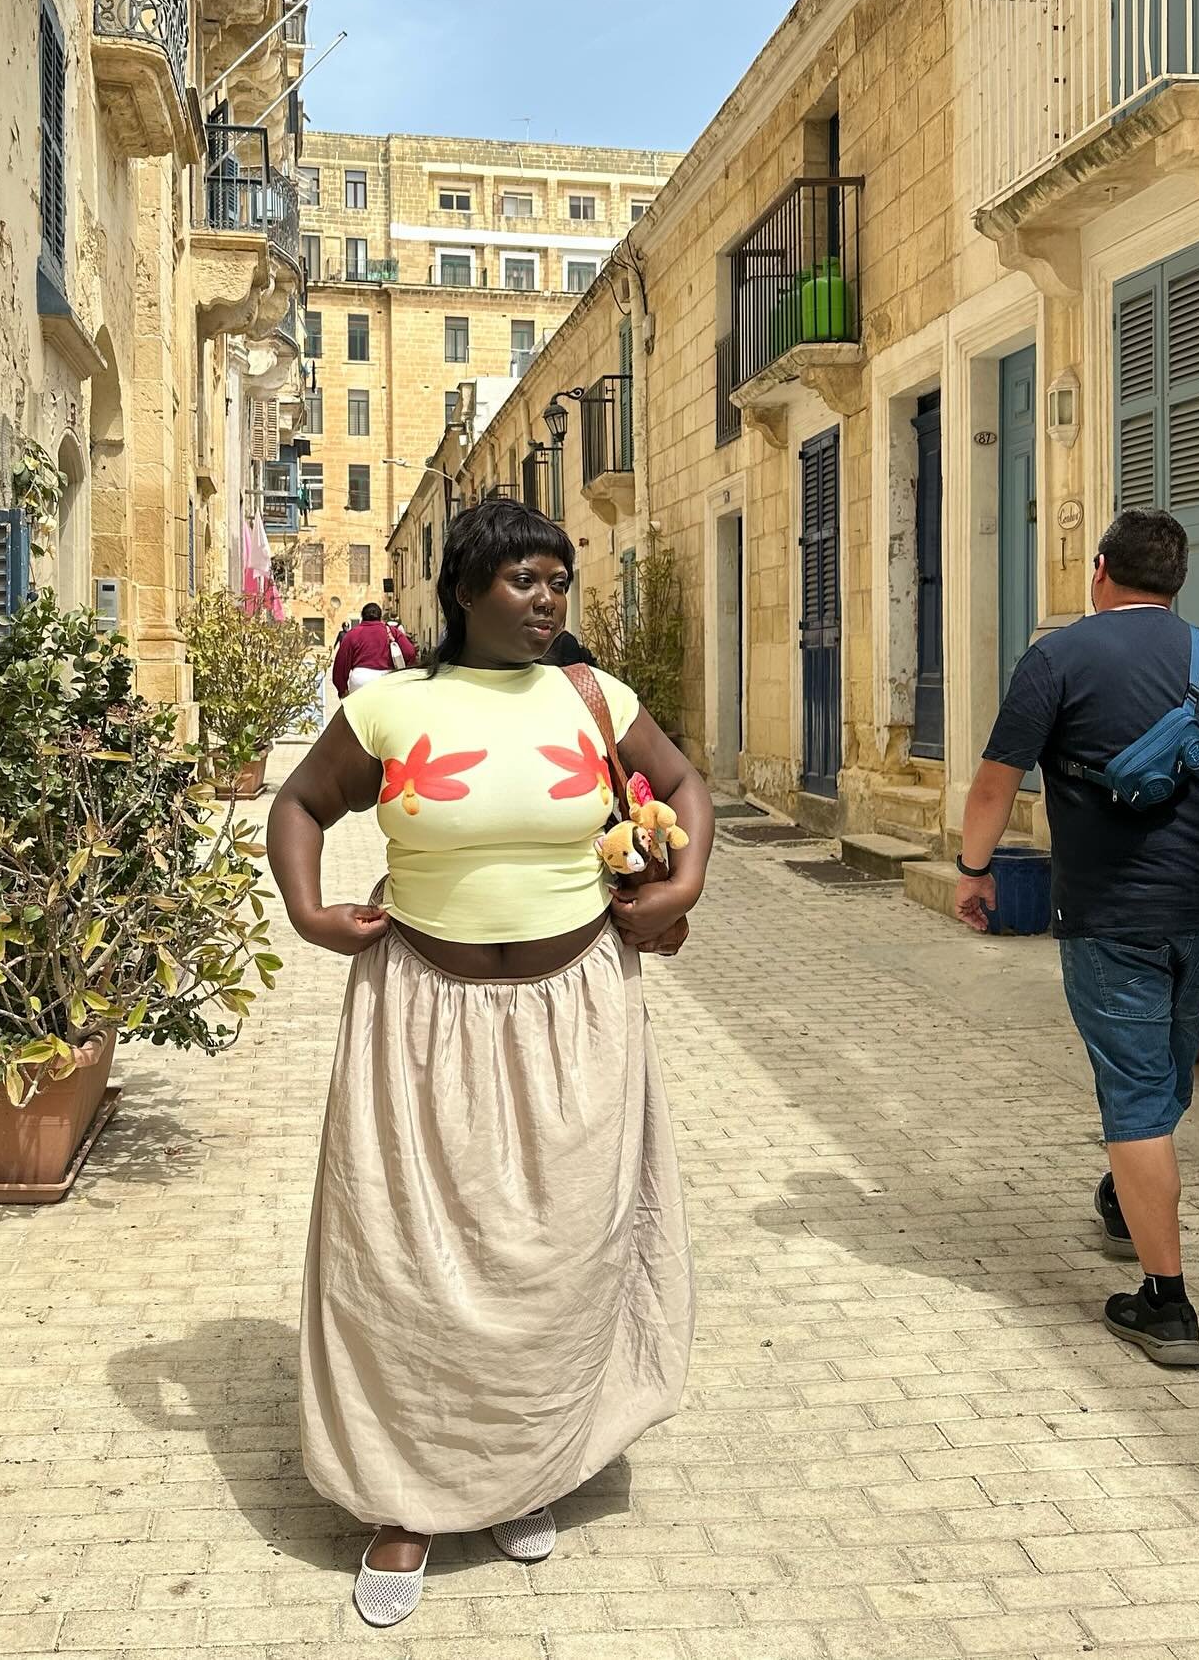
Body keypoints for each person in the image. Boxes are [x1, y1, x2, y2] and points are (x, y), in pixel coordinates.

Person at [267, 499, 711, 1627]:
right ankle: (405, 1499)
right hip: (422, 1017)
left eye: (557, 579)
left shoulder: (592, 696)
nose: (548, 597)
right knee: (408, 1260)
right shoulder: (393, 708)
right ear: (463, 589)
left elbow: (689, 788)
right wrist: (310, 913)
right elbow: (303, 803)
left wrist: (685, 881)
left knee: (558, 1256)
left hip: (577, 1020)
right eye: (523, 579)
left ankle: (526, 1468)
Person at [956, 508, 1199, 1369]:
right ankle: (1126, 1197)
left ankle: (1168, 1303)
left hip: (1111, 916)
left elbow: (996, 781)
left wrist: (974, 869)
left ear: (1100, 569)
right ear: (1176, 581)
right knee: (1164, 1069)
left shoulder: (1058, 658)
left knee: (1137, 1094)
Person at [331, 602, 416, 698]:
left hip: (360, 681)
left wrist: (342, 690)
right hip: (387, 681)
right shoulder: (392, 631)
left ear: (362, 616)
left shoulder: (352, 634)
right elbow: (410, 652)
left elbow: (340, 665)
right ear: (380, 617)